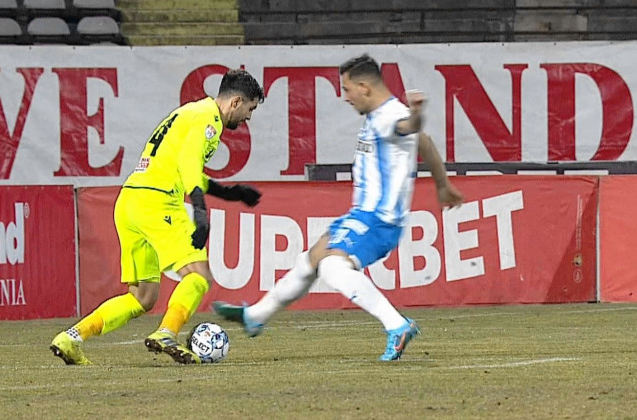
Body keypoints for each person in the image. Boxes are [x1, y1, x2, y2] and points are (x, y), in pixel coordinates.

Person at [213, 54, 463, 361]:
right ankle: (256, 315)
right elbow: (423, 141)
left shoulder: (389, 116)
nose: (345, 97)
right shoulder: (380, 115)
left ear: (365, 87)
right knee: (310, 260)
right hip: (367, 216)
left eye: (346, 89)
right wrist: (442, 184)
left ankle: (397, 325)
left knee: (331, 266)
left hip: (378, 219)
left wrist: (417, 113)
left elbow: (411, 126)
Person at [51, 69, 265, 365]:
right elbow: (190, 164)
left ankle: (71, 337)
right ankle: (166, 333)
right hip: (157, 201)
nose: (248, 118)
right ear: (236, 101)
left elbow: (180, 167)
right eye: (250, 109)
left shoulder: (189, 112)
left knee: (143, 297)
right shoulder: (209, 120)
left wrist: (231, 193)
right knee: (199, 277)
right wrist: (201, 213)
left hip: (130, 201)